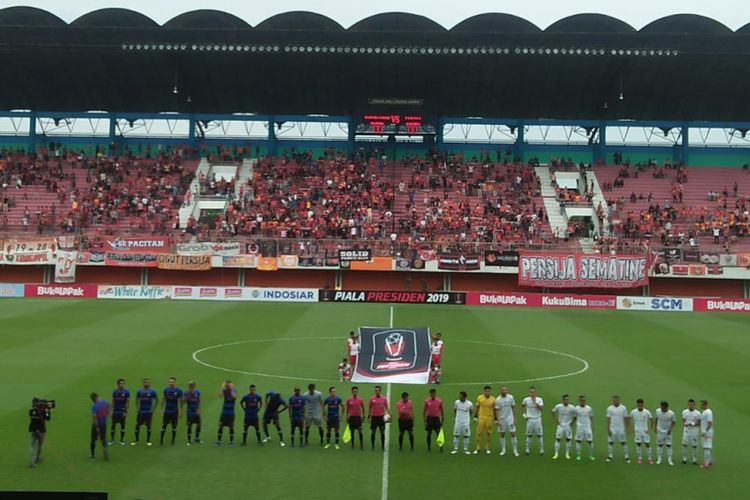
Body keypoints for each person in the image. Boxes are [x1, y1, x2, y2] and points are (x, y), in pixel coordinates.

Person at [131, 378, 158, 446]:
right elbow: (136, 399)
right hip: (141, 411)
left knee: (148, 426)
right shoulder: (139, 391)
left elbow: (157, 400)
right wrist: (137, 408)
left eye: (148, 382)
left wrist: (153, 409)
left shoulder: (152, 391)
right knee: (137, 425)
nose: (146, 383)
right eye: (145, 382)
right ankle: (136, 440)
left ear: (149, 383)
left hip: (148, 411)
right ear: (143, 383)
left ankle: (148, 441)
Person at [494, 385, 518, 457]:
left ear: (507, 391)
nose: (504, 391)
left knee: (513, 433)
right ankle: (503, 450)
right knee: (502, 434)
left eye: (505, 390)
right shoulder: (498, 399)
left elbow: (513, 407)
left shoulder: (510, 397)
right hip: (502, 419)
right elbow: (497, 410)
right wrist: (498, 420)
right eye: (502, 390)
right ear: (500, 391)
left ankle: (515, 450)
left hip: (510, 418)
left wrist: (514, 418)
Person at [606, 395, 630, 462]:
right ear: (613, 401)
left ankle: (626, 456)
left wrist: (627, 428)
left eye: (617, 400)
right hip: (612, 428)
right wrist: (608, 429)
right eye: (614, 400)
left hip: (621, 428)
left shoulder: (623, 408)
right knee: (611, 442)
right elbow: (608, 419)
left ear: (619, 400)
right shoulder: (609, 408)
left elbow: (626, 418)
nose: (615, 401)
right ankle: (610, 456)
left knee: (623, 442)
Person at [28, 398, 51, 467]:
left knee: (32, 446)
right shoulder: (43, 412)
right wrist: (47, 411)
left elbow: (33, 419)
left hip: (33, 430)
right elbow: (48, 418)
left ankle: (31, 462)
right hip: (41, 431)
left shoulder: (30, 411)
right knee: (39, 445)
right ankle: (37, 459)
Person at [160, 377, 183, 446]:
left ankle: (173, 440)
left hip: (174, 411)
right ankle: (161, 439)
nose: (171, 383)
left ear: (175, 382)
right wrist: (161, 409)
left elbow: (180, 401)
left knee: (174, 426)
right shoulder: (166, 390)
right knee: (164, 426)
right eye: (170, 382)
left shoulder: (179, 391)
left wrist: (180, 411)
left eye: (172, 382)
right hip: (167, 411)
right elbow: (163, 399)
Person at [522, 386, 544, 456]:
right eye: (531, 392)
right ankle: (527, 450)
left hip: (537, 419)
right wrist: (524, 416)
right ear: (529, 393)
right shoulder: (526, 400)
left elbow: (542, 409)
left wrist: (536, 403)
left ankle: (541, 450)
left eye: (533, 392)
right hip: (530, 419)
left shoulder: (539, 400)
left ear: (536, 393)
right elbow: (522, 407)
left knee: (539, 435)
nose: (532, 394)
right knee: (529, 435)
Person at [630, 398, 653, 464]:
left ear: (643, 404)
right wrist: (631, 428)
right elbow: (628, 419)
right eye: (638, 405)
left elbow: (652, 420)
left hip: (645, 431)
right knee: (638, 444)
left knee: (647, 444)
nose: (640, 406)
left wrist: (650, 429)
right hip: (637, 431)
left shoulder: (647, 412)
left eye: (641, 405)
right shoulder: (633, 412)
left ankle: (649, 458)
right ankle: (639, 458)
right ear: (637, 404)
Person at [552, 394, 575, 460]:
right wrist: (556, 421)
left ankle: (567, 453)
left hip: (568, 426)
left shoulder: (572, 407)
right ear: (563, 400)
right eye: (565, 400)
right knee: (558, 439)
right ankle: (556, 453)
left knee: (568, 439)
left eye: (567, 400)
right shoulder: (558, 406)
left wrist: (572, 423)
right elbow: (552, 412)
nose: (566, 401)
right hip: (561, 426)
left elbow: (575, 416)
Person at [473, 385, 495, 454]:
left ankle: (487, 447)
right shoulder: (480, 398)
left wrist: (496, 419)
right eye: (486, 391)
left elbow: (494, 409)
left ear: (490, 392)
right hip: (481, 417)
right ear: (484, 391)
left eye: (489, 391)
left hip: (489, 417)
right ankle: (477, 447)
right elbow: (477, 407)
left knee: (488, 433)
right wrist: (475, 416)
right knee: (479, 432)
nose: (487, 392)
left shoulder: (493, 399)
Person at [572, 395, 594, 461]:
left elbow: (591, 417)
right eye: (581, 401)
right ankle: (578, 455)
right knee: (578, 441)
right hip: (580, 427)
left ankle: (590, 455)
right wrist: (572, 424)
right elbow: (574, 417)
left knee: (590, 441)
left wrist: (592, 426)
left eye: (584, 401)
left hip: (587, 427)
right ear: (579, 401)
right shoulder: (576, 409)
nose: (583, 402)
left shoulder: (589, 408)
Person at [368, 385, 390, 450]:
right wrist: (369, 417)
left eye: (377, 390)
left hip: (381, 417)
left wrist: (390, 415)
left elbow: (386, 408)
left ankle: (383, 445)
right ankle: (372, 445)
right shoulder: (372, 398)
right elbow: (369, 408)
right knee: (373, 432)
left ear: (380, 391)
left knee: (382, 432)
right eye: (375, 390)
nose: (376, 392)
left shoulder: (384, 399)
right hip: (374, 417)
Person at [654, 401, 676, 466]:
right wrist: (655, 427)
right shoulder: (658, 411)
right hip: (660, 431)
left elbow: (674, 422)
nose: (661, 408)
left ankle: (670, 459)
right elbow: (656, 419)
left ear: (666, 407)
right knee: (659, 445)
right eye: (661, 406)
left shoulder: (671, 413)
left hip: (668, 432)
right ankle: (659, 459)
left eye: (663, 407)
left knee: (669, 445)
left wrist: (670, 429)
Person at [216, 380, 237, 447]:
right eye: (227, 385)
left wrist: (230, 389)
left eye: (229, 385)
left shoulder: (234, 390)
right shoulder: (224, 391)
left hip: (231, 413)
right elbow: (220, 396)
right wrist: (222, 387)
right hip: (224, 412)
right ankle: (219, 441)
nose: (227, 386)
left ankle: (231, 442)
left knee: (231, 427)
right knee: (220, 426)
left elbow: (234, 397)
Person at [109, 378, 130, 446]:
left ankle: (121, 440)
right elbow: (112, 401)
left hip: (122, 411)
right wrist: (111, 411)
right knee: (113, 426)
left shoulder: (126, 392)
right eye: (121, 383)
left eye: (123, 383)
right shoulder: (115, 392)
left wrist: (125, 412)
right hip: (115, 411)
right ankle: (112, 440)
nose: (122, 384)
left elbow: (127, 402)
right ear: (118, 384)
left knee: (123, 426)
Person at [681, 399, 701, 465]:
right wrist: (685, 423)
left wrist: (692, 424)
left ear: (694, 405)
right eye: (689, 404)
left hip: (694, 431)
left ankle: (694, 460)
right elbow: (683, 420)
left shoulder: (698, 413)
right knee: (684, 444)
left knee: (694, 445)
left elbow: (699, 423)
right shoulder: (684, 412)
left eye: (692, 404)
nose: (690, 406)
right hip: (686, 430)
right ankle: (684, 459)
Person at [90, 393, 109, 460]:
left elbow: (94, 418)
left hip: (97, 424)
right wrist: (108, 413)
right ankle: (105, 448)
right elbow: (109, 407)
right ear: (98, 397)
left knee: (93, 439)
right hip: (104, 423)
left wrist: (96, 427)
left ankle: (92, 454)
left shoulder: (94, 406)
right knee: (103, 438)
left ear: (92, 399)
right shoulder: (105, 402)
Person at [183, 381, 202, 445]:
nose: (191, 386)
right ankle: (189, 440)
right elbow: (183, 401)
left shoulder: (197, 392)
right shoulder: (186, 393)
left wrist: (198, 409)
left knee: (198, 425)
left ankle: (197, 438)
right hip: (190, 411)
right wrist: (187, 396)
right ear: (188, 386)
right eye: (190, 385)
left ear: (194, 385)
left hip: (196, 410)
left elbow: (199, 400)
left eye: (192, 385)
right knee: (189, 425)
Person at [699, 400, 714, 469]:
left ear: (705, 405)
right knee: (707, 447)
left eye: (701, 404)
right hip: (705, 432)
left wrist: (705, 431)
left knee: (706, 448)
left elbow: (710, 423)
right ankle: (709, 461)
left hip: (707, 433)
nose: (700, 406)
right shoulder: (704, 411)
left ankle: (706, 464)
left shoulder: (708, 412)